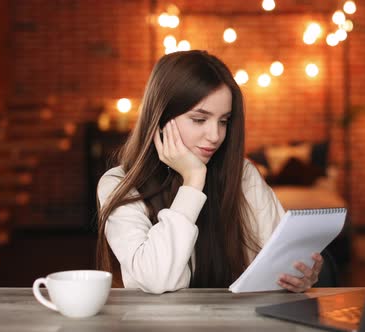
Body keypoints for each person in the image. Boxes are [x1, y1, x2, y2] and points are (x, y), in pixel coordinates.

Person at [96, 50, 323, 294]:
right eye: (199, 119)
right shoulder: (118, 183)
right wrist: (193, 181)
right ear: (161, 117)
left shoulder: (242, 174)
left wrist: (299, 274)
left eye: (223, 121)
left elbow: (278, 256)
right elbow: (155, 279)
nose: (215, 136)